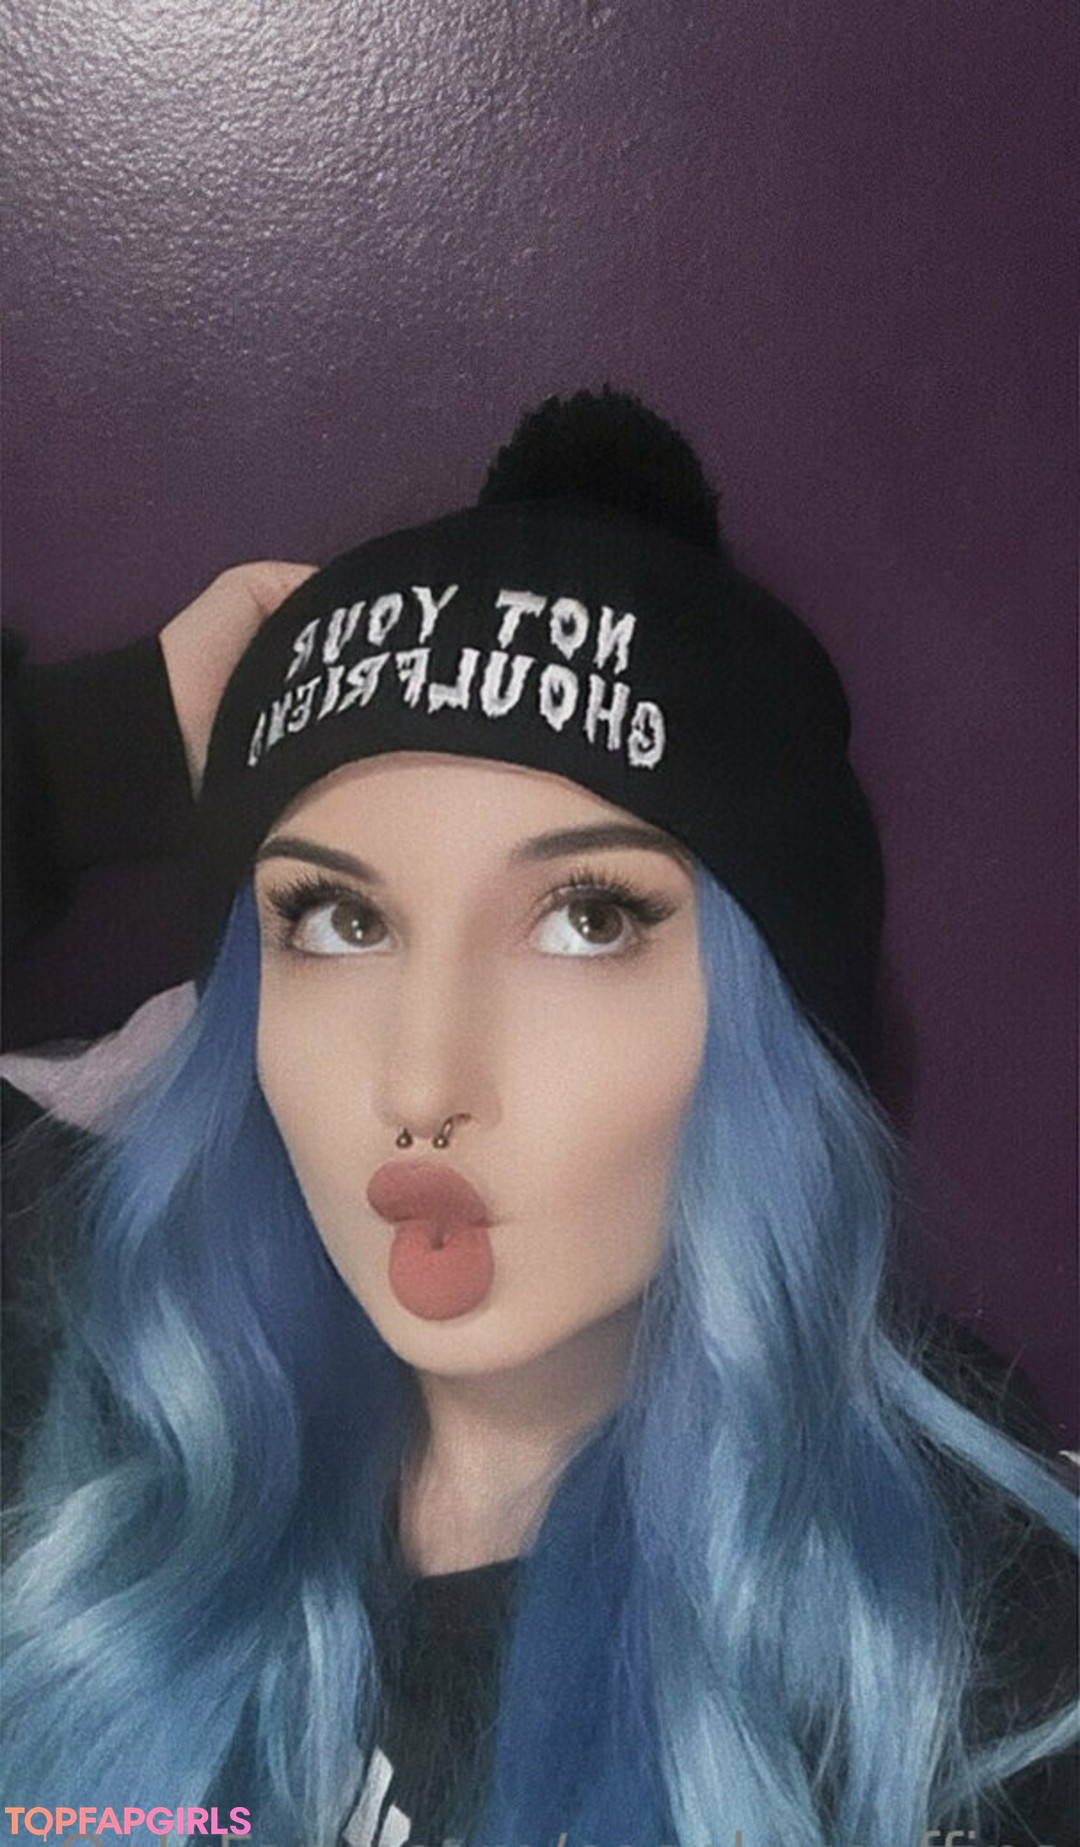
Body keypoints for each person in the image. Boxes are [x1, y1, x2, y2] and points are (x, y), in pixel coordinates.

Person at [2, 391, 1077, 1847]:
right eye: (338, 919)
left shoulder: (961, 1625)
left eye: (587, 918)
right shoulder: (103, 1409)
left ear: (772, 1024)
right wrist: (88, 755)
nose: (420, 1082)